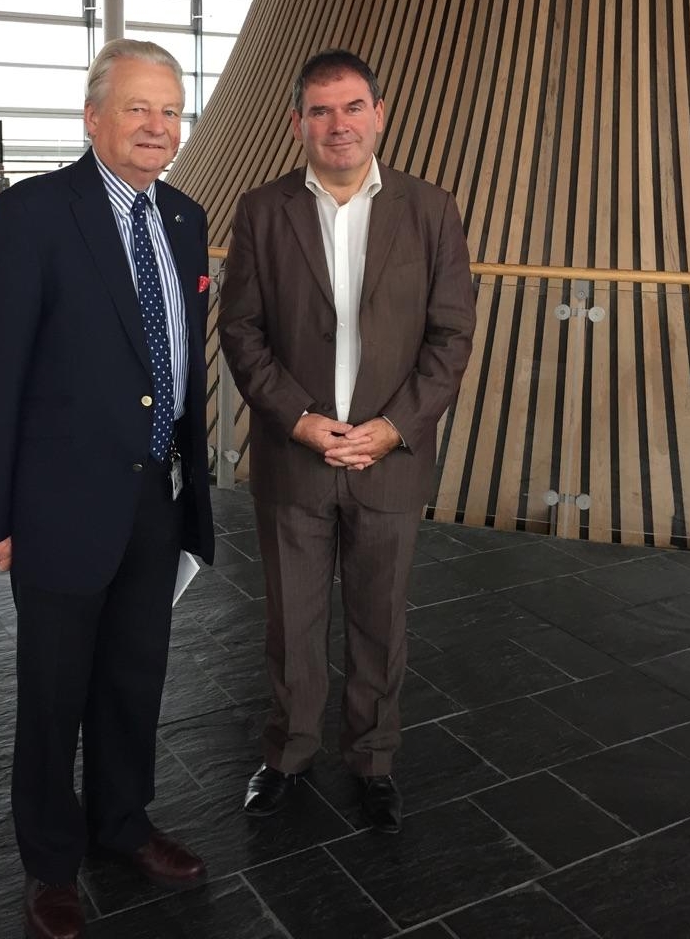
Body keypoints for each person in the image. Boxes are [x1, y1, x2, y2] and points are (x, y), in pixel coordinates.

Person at [0, 39, 214, 939]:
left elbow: (176, 361)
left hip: (157, 491)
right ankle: (51, 864)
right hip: (59, 499)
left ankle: (123, 825)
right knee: (54, 689)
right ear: (93, 115)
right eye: (140, 107)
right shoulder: (34, 213)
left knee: (135, 677)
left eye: (172, 110)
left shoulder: (184, 216)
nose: (157, 126)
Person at [218, 49, 476, 834]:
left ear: (380, 114)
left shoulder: (429, 210)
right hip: (294, 454)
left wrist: (395, 427)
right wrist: (296, 417)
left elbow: (451, 335)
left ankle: (373, 761)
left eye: (353, 107)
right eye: (322, 110)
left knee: (378, 617)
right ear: (297, 122)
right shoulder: (263, 211)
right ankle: (290, 755)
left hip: (389, 457)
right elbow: (242, 330)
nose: (339, 124)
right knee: (291, 619)